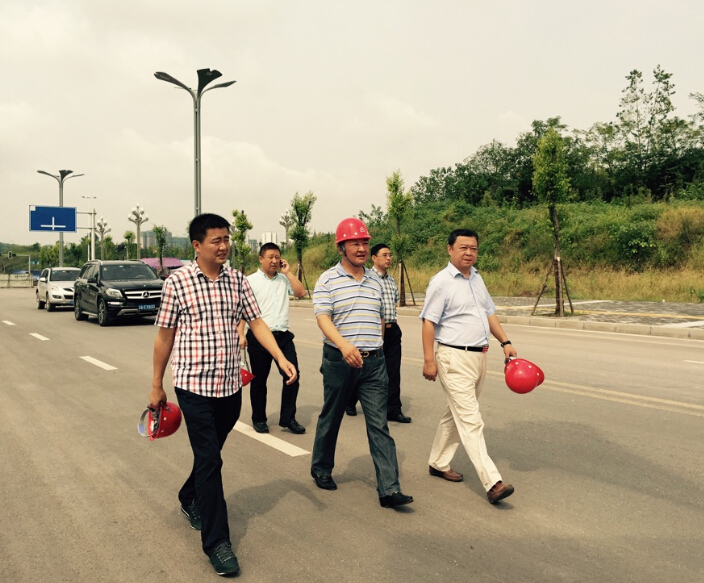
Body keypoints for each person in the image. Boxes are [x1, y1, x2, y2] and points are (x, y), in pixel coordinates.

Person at [149, 213, 297, 577]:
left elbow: (257, 322)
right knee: (210, 460)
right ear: (197, 245)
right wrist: (156, 383)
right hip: (193, 386)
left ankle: (189, 495)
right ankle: (217, 543)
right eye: (216, 240)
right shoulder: (178, 282)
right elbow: (165, 336)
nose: (224, 246)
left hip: (230, 386)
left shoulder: (237, 281)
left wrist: (280, 358)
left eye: (227, 239)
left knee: (210, 455)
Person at [310, 217, 413, 508]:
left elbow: (381, 318)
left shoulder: (376, 281)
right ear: (341, 248)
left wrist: (377, 347)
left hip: (373, 364)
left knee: (379, 424)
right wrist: (344, 346)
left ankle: (389, 489)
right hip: (339, 361)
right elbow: (323, 318)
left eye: (365, 242)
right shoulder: (327, 280)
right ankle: (321, 467)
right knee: (331, 416)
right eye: (354, 243)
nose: (361, 248)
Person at [420, 228, 517, 504]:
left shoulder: (476, 278)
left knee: (456, 414)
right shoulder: (441, 282)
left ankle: (438, 462)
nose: (469, 253)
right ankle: (493, 483)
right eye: (463, 248)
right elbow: (428, 322)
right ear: (449, 249)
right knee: (471, 420)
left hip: (478, 357)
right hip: (453, 358)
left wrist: (505, 341)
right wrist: (429, 360)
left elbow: (489, 314)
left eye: (473, 248)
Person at [238, 242, 306, 435]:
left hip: (283, 337)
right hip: (259, 338)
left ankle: (288, 418)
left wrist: (288, 273)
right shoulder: (249, 281)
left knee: (292, 375)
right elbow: (243, 311)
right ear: (261, 259)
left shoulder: (284, 280)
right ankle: (259, 418)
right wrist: (241, 334)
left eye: (277, 257)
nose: (274, 261)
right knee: (259, 380)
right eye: (270, 257)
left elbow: (300, 293)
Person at [346, 243, 411, 423]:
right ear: (374, 258)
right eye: (384, 255)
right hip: (373, 331)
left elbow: (394, 302)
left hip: (392, 330)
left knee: (393, 371)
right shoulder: (368, 279)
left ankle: (393, 409)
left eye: (390, 255)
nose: (389, 258)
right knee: (366, 370)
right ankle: (350, 400)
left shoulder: (391, 281)